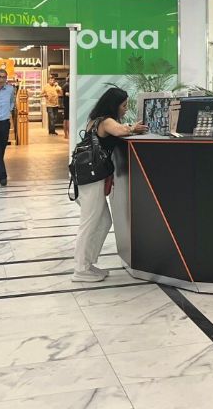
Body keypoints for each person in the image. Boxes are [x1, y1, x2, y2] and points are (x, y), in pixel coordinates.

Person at [73, 87, 146, 282]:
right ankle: (80, 269)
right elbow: (121, 130)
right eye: (123, 105)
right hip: (91, 178)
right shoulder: (105, 121)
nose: (125, 109)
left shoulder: (96, 119)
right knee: (89, 223)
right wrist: (133, 127)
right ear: (114, 105)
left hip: (90, 177)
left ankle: (88, 264)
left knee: (104, 221)